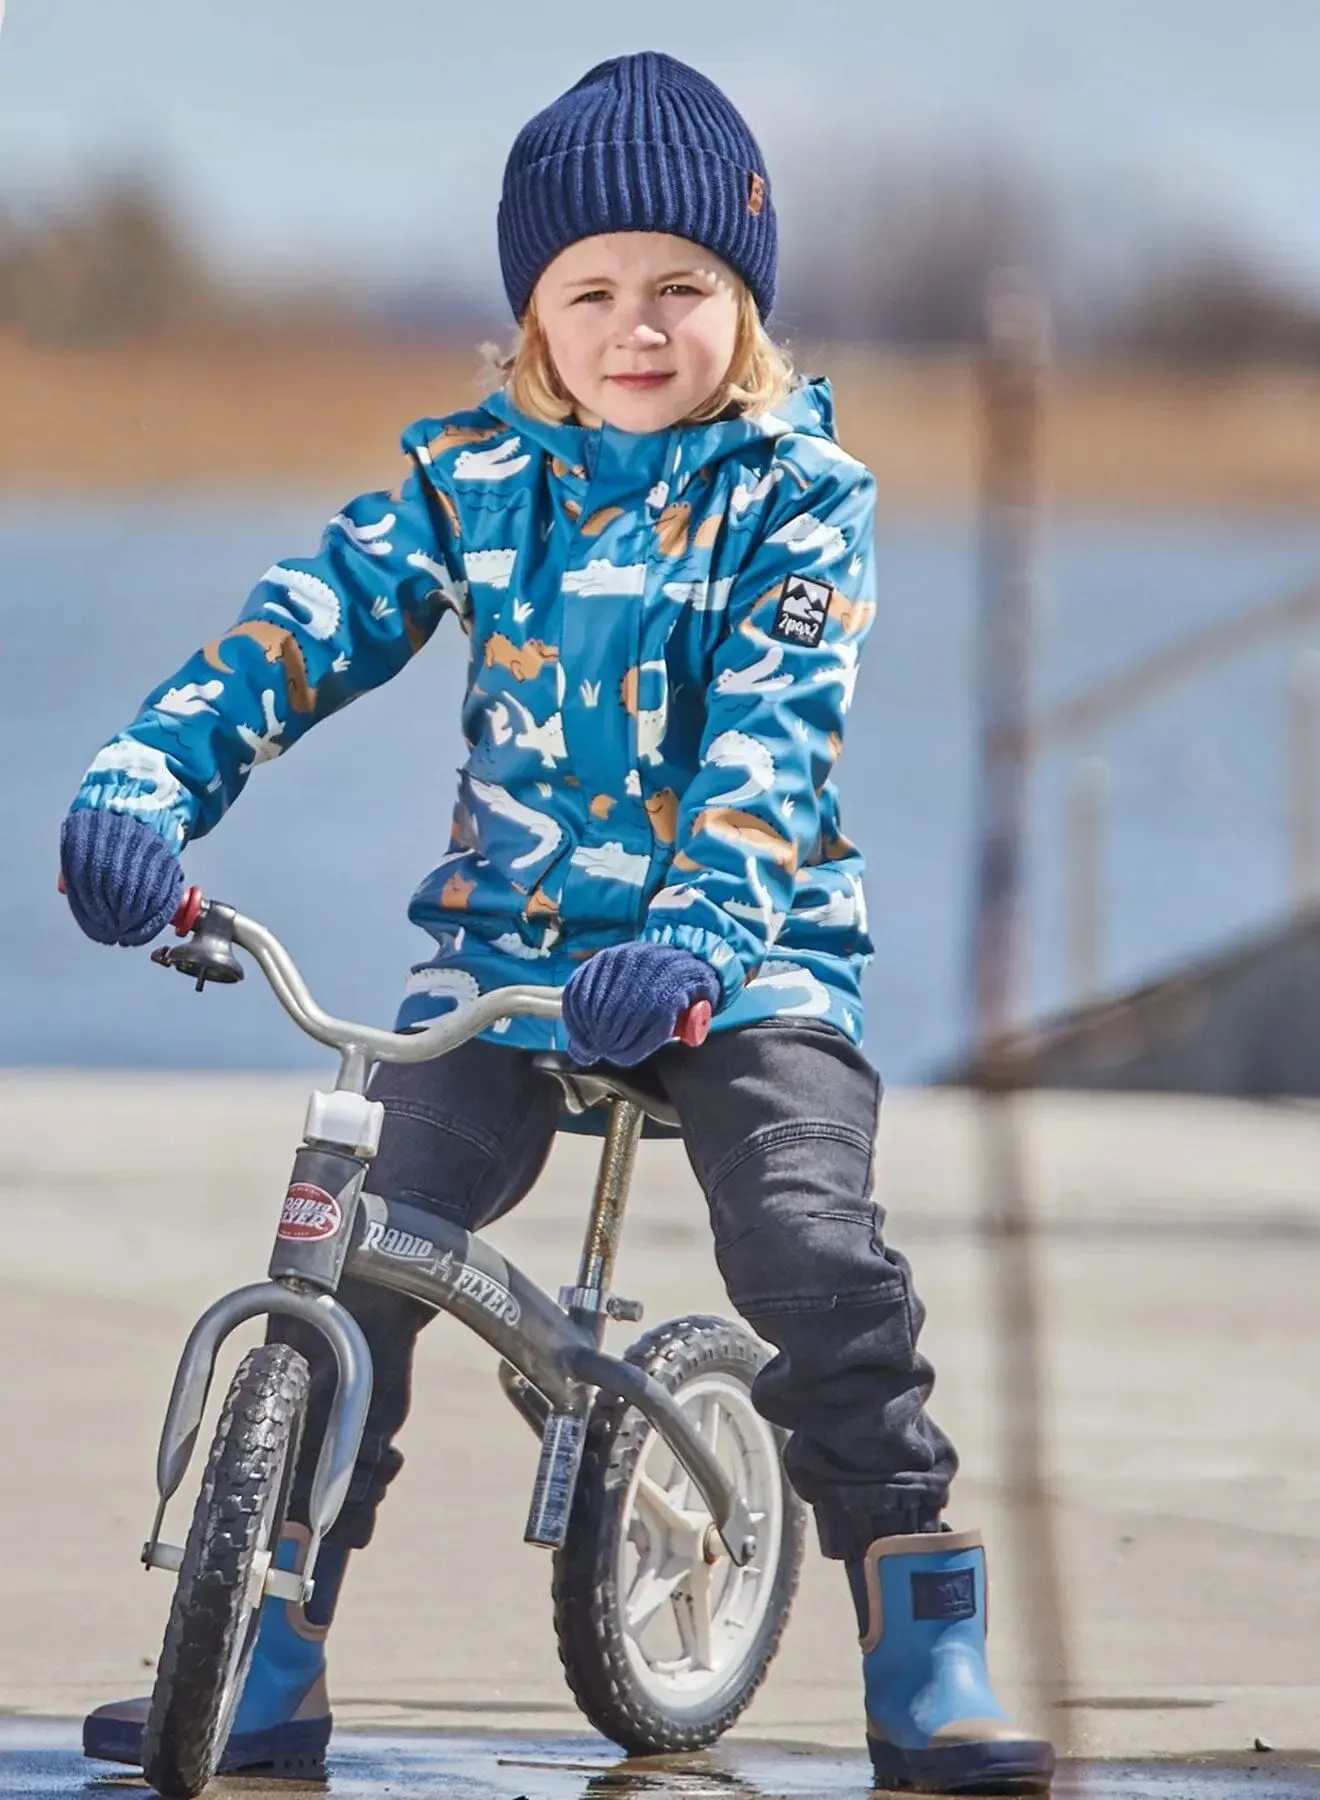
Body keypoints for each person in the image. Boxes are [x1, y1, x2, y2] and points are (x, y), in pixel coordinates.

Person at [62, 52, 1053, 1797]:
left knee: (808, 1252)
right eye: (590, 290)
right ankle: (262, 1645)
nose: (637, 325)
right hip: (512, 975)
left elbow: (770, 746)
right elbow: (294, 636)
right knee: (360, 1243)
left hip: (743, 967)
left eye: (683, 287)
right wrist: (146, 785)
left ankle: (923, 1617)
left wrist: (690, 935)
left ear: (746, 303)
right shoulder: (468, 481)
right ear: (534, 312)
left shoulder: (799, 502)